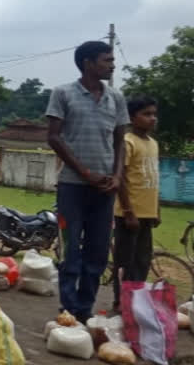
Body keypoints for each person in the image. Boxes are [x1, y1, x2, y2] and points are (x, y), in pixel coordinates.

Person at [46, 41, 130, 324]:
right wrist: (84, 172)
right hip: (72, 187)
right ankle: (68, 309)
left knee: (97, 252)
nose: (112, 64)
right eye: (107, 60)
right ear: (87, 63)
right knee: (71, 251)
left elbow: (120, 142)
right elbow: (54, 138)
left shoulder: (116, 98)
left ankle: (85, 309)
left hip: (105, 189)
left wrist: (117, 176)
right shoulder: (63, 93)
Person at [113, 96, 160, 310]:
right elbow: (120, 178)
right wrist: (128, 211)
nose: (153, 118)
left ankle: (135, 303)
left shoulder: (153, 144)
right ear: (133, 117)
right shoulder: (128, 141)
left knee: (143, 260)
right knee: (126, 262)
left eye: (154, 114)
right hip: (128, 215)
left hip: (147, 215)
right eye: (147, 114)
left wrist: (156, 209)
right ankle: (120, 303)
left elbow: (153, 178)